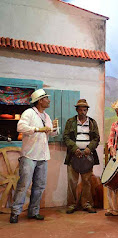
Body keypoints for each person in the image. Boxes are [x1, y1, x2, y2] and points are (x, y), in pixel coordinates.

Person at [10, 89, 58, 223]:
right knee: (24, 184)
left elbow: (50, 133)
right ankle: (15, 213)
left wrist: (54, 128)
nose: (49, 100)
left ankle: (33, 212)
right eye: (46, 98)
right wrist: (37, 129)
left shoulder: (46, 116)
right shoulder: (29, 113)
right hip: (29, 155)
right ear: (40, 100)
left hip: (43, 155)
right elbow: (20, 127)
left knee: (40, 185)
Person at [63, 99, 100, 214]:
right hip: (73, 156)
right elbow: (66, 137)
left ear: (87, 110)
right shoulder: (70, 122)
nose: (82, 112)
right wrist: (74, 149)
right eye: (80, 110)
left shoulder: (92, 122)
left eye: (85, 110)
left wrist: (89, 148)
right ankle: (71, 205)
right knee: (72, 182)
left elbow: (96, 138)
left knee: (87, 181)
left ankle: (87, 204)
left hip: (88, 156)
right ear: (77, 110)